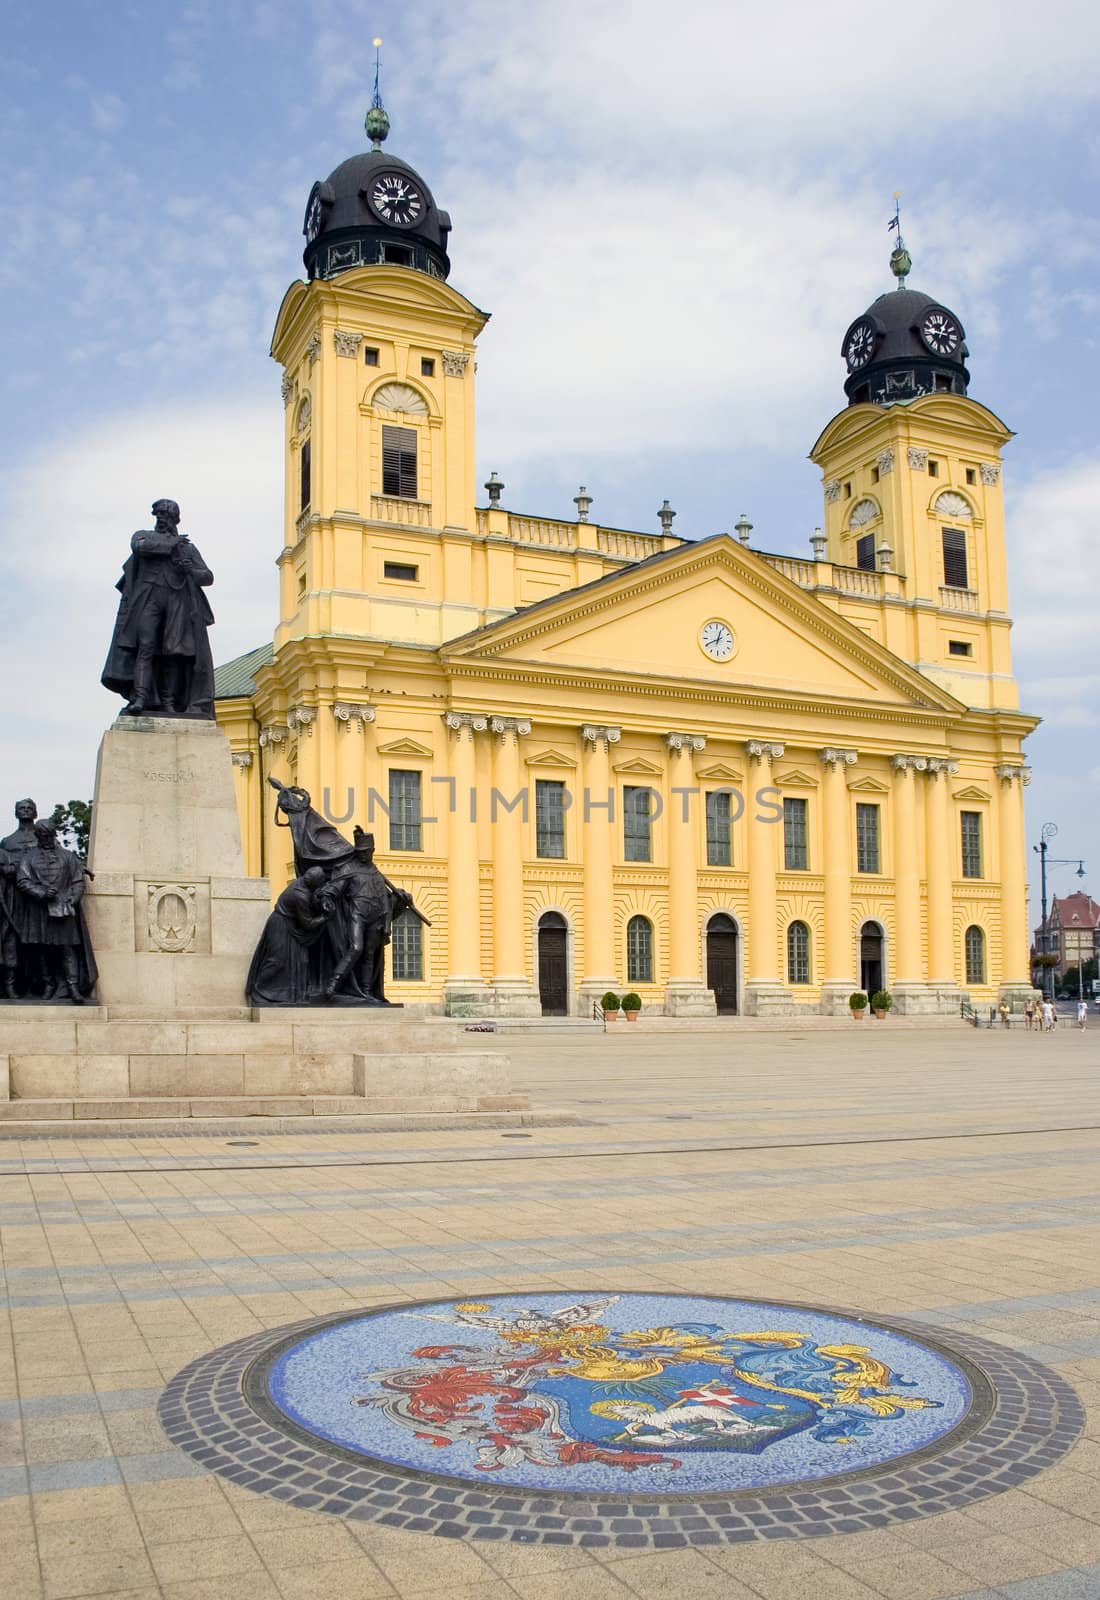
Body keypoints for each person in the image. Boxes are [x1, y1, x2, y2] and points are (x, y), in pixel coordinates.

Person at [101, 498, 216, 718]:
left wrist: (190, 569)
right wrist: (172, 544)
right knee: (146, 648)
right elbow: (140, 546)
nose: (162, 519)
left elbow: (207, 576)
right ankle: (141, 697)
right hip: (148, 599)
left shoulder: (187, 549)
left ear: (176, 519)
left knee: (173, 653)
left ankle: (169, 703)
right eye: (159, 515)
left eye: (167, 515)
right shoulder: (144, 536)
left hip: (178, 602)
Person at [15, 821, 97, 1004]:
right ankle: (48, 984)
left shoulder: (68, 856)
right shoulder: (29, 858)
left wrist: (72, 898)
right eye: (43, 836)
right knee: (42, 949)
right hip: (39, 911)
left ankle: (73, 987)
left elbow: (77, 881)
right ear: (37, 836)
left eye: (50, 835)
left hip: (63, 910)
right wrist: (41, 892)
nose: (47, 839)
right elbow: (23, 880)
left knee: (67, 949)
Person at [245, 867, 332, 1007]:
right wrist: (325, 917)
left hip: (290, 925)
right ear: (314, 883)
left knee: (302, 960)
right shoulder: (300, 896)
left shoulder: (301, 883)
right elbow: (308, 924)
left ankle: (294, 995)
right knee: (276, 961)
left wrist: (321, 898)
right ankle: (259, 991)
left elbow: (314, 894)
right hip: (280, 925)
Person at [0, 798, 39, 999]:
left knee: (37, 941)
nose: (25, 811)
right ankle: (10, 984)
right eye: (21, 808)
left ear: (35, 813)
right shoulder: (7, 841)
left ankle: (37, 984)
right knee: (11, 939)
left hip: (38, 899)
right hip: (14, 897)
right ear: (16, 813)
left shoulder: (42, 837)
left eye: (29, 808)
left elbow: (60, 857)